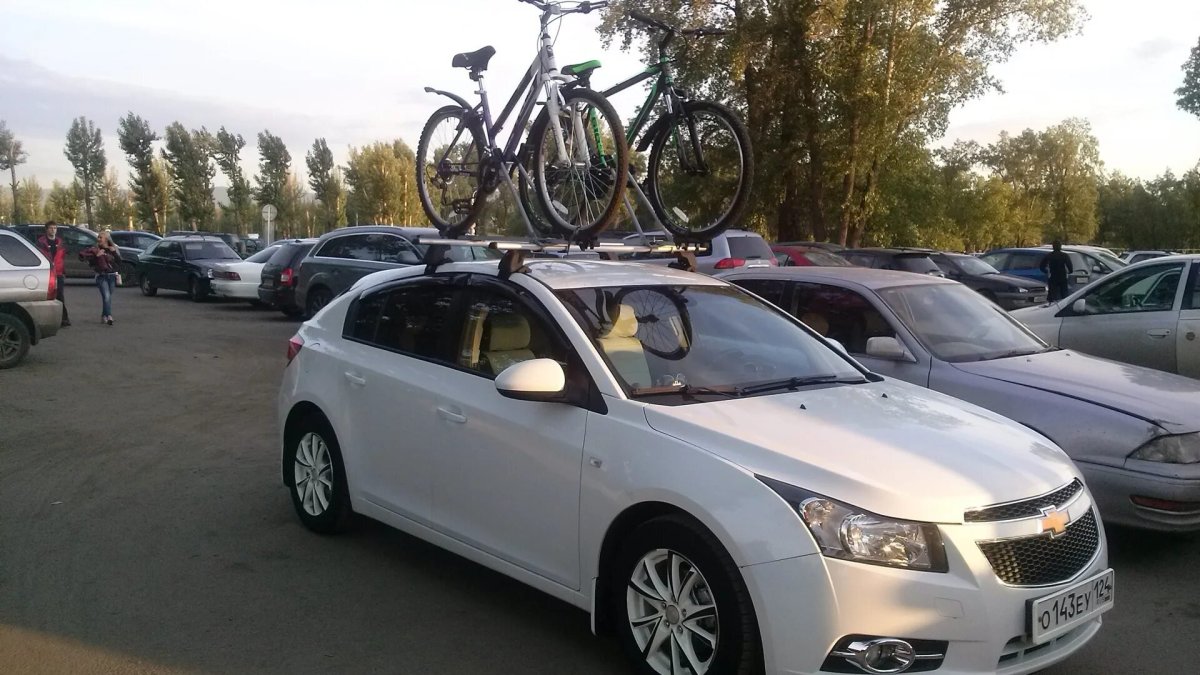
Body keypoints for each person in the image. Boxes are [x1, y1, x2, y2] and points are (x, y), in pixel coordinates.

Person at [80, 230, 122, 325]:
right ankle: (109, 316)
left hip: (112, 276)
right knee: (107, 296)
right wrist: (97, 256)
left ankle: (104, 316)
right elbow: (91, 264)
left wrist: (114, 253)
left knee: (107, 298)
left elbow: (119, 263)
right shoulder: (95, 250)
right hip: (101, 276)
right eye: (98, 237)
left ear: (106, 239)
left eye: (101, 237)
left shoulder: (113, 249)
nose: (98, 239)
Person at [35, 221, 70, 327]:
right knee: (47, 296)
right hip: (47, 272)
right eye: (51, 228)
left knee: (60, 296)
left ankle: (64, 318)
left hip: (58, 273)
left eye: (55, 228)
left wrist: (62, 270)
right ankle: (45, 318)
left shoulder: (60, 242)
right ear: (46, 230)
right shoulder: (41, 242)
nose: (53, 230)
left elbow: (62, 256)